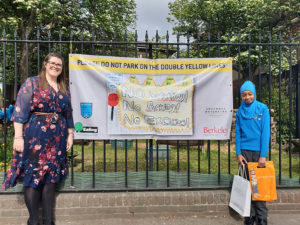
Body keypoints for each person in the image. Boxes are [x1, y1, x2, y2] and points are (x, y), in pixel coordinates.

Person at [1, 53, 74, 225]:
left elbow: (68, 113)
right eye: (53, 63)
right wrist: (18, 137)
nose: (56, 66)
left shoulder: (63, 86)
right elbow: (19, 112)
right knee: (33, 177)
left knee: (50, 179)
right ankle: (33, 220)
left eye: (59, 65)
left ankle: (48, 221)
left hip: (57, 139)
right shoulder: (32, 83)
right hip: (35, 137)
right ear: (45, 64)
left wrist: (70, 134)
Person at [235, 80, 270, 225]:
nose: (247, 97)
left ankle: (261, 217)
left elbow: (265, 133)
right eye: (244, 95)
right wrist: (238, 153)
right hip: (244, 153)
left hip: (257, 154)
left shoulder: (263, 109)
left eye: (250, 94)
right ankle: (249, 215)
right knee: (247, 185)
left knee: (258, 185)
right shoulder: (240, 111)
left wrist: (263, 155)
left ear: (254, 94)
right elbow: (237, 133)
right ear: (241, 96)